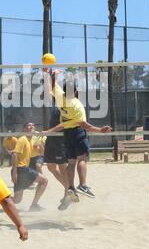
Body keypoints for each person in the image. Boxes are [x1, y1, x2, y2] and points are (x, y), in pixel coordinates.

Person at [44, 71, 111, 203]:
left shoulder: (60, 98)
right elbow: (85, 125)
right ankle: (82, 185)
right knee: (82, 159)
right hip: (77, 132)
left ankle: (70, 187)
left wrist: (53, 75)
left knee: (71, 162)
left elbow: (52, 86)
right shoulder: (77, 105)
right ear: (75, 92)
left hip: (67, 134)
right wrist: (100, 130)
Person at [11, 122, 48, 212]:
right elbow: (14, 155)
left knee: (17, 200)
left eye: (33, 125)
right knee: (44, 181)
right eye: (29, 125)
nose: (32, 126)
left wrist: (39, 144)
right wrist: (14, 172)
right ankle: (34, 205)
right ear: (24, 129)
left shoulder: (31, 140)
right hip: (21, 169)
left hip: (23, 170)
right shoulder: (22, 139)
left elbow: (42, 153)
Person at [43, 104, 69, 210]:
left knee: (63, 168)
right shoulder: (54, 105)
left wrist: (48, 131)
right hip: (51, 139)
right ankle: (69, 189)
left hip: (61, 140)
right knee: (51, 167)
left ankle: (67, 194)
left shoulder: (68, 106)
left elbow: (64, 124)